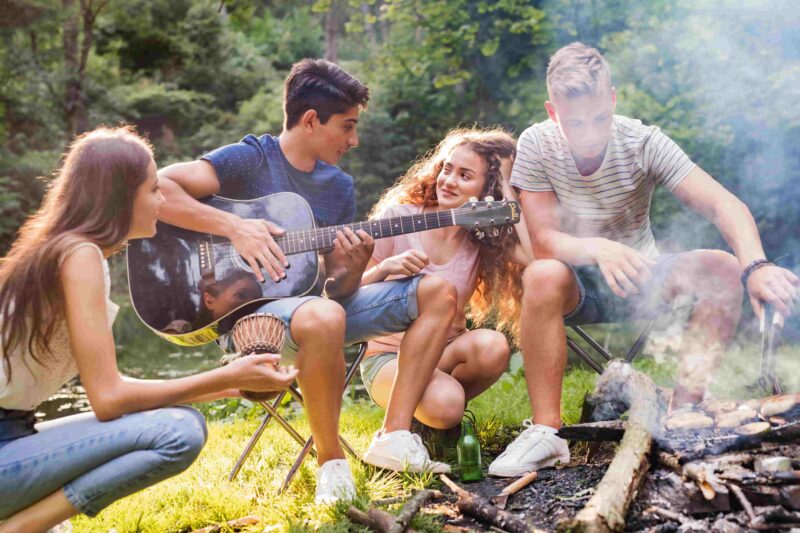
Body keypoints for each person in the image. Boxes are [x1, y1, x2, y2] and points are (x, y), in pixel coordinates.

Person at [487, 41, 800, 478]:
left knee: (723, 268)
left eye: (600, 117)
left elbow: (721, 204)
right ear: (553, 111)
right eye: (575, 122)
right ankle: (547, 432)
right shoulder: (538, 143)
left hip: (644, 280)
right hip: (575, 283)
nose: (590, 132)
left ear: (613, 99)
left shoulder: (642, 141)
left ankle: (684, 414)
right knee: (541, 273)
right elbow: (544, 241)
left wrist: (756, 266)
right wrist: (601, 248)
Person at [157, 59, 459, 504]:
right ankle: (331, 465)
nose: (354, 140)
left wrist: (354, 266)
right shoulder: (249, 158)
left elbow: (336, 289)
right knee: (321, 316)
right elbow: (159, 190)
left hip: (316, 310)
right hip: (246, 317)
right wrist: (235, 228)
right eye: (347, 126)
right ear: (311, 120)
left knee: (436, 291)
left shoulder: (338, 187)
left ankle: (394, 435)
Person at [0, 127, 298, 533]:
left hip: (15, 434)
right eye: (153, 189)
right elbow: (109, 400)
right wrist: (225, 375)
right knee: (178, 431)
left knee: (177, 419)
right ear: (121, 196)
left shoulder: (65, 249)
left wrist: (232, 386)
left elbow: (111, 391)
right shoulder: (79, 254)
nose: (161, 200)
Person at [358, 128, 532, 470]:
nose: (448, 180)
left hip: (444, 353)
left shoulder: (479, 238)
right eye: (447, 168)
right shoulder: (399, 218)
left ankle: (423, 425)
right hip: (388, 357)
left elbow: (533, 255)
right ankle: (409, 425)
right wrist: (385, 269)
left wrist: (509, 190)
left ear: (487, 189)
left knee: (493, 346)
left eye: (465, 175)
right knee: (449, 407)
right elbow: (347, 294)